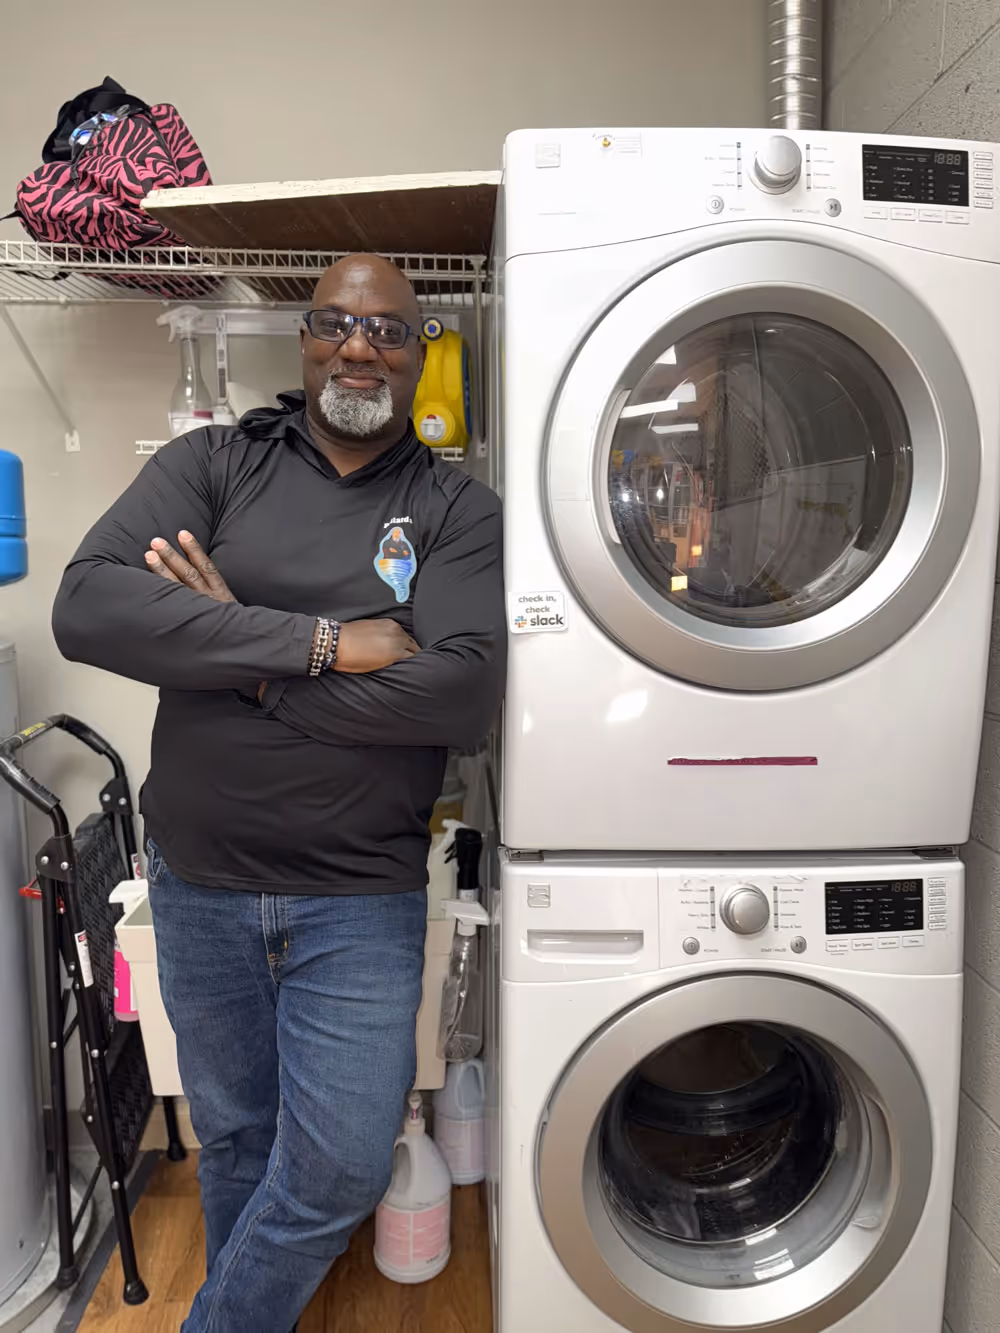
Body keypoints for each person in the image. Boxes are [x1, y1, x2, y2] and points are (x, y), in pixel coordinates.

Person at [52, 254, 506, 1332]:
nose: (359, 346)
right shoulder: (217, 463)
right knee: (240, 1137)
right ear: (304, 338)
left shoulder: (453, 506)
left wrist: (240, 664)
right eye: (336, 323)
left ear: (420, 350)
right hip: (200, 882)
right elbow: (90, 609)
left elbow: (457, 698)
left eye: (389, 331)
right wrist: (322, 643)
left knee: (344, 1164)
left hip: (358, 896)